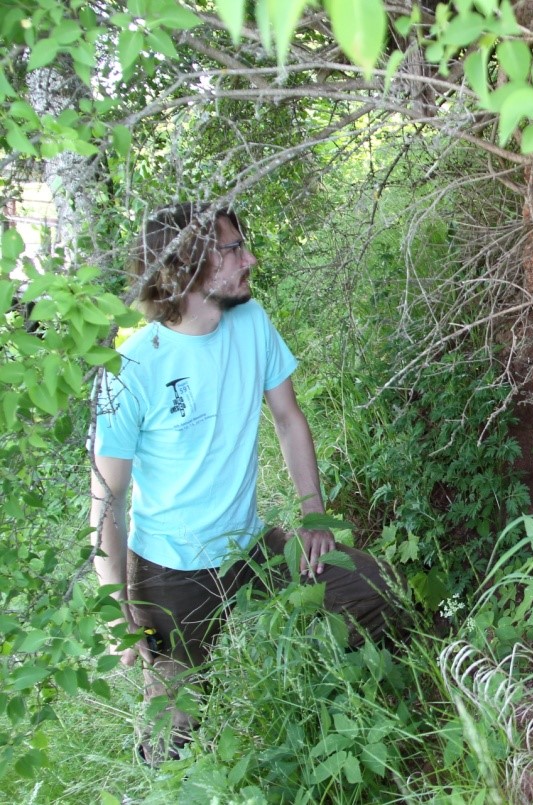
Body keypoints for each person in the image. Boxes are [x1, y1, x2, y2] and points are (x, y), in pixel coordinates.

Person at [89, 203, 405, 763]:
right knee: (175, 729)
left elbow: (288, 417)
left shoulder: (250, 321)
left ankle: (378, 724)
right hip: (170, 571)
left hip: (250, 547)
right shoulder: (132, 370)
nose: (248, 259)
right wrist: (116, 609)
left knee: (372, 591)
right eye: (233, 250)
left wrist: (312, 514)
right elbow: (107, 499)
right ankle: (164, 775)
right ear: (188, 268)